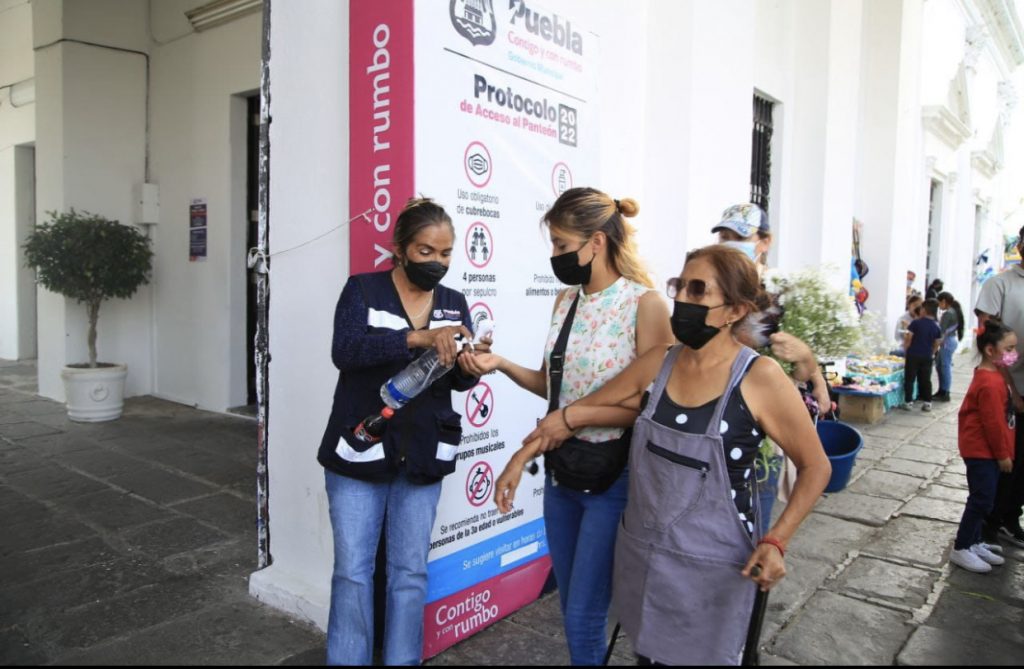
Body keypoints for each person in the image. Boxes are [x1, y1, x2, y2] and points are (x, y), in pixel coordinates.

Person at [500, 244, 831, 665]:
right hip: (649, 559)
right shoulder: (660, 361)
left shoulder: (759, 377)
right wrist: (518, 459)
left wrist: (776, 542)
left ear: (734, 310)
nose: (683, 300)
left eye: (698, 291)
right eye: (680, 287)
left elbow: (815, 466)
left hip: (716, 567)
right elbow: (570, 417)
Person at [460, 187, 673, 665]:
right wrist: (502, 365)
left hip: (612, 477)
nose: (555, 255)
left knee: (583, 612)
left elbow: (647, 404)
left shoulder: (645, 304)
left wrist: (571, 420)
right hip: (562, 474)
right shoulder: (564, 301)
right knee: (573, 609)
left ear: (596, 242)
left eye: (560, 244)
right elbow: (553, 388)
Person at [317, 198, 486, 665]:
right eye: (426, 251)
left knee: (409, 573)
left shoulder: (454, 304)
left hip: (423, 452)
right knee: (353, 572)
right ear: (400, 249)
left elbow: (456, 379)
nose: (437, 262)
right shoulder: (363, 290)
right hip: (360, 448)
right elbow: (346, 351)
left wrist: (471, 366)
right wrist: (418, 337)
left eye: (446, 253)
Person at [713, 202, 830, 536]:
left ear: (765, 241)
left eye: (740, 235)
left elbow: (805, 371)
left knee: (753, 525)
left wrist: (805, 356)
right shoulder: (707, 286)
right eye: (725, 235)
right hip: (714, 417)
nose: (730, 241)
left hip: (765, 430)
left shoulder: (783, 295)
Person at [950, 319, 1017, 573]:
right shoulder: (989, 383)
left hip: (988, 451)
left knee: (985, 499)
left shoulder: (995, 376)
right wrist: (1003, 455)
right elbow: (993, 424)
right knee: (981, 500)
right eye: (1009, 349)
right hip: (982, 451)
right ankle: (962, 546)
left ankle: (976, 541)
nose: (1013, 354)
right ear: (991, 350)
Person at [977, 226, 1024, 548]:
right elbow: (990, 341)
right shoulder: (1001, 284)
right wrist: (1013, 390)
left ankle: (1009, 515)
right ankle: (991, 520)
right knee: (1006, 456)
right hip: (1009, 390)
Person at [900, 298, 942, 412]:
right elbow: (937, 343)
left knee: (910, 378)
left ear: (924, 310)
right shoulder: (936, 326)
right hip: (927, 356)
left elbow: (909, 337)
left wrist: (906, 349)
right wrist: (932, 352)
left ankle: (908, 402)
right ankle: (927, 402)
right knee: (926, 379)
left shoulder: (916, 323)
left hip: (913, 354)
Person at [933, 291, 965, 402]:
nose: (939, 306)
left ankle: (945, 391)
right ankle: (942, 390)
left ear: (944, 301)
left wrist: (935, 345)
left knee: (944, 367)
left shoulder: (948, 314)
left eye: (939, 303)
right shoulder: (954, 311)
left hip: (946, 342)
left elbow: (941, 331)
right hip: (950, 341)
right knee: (940, 365)